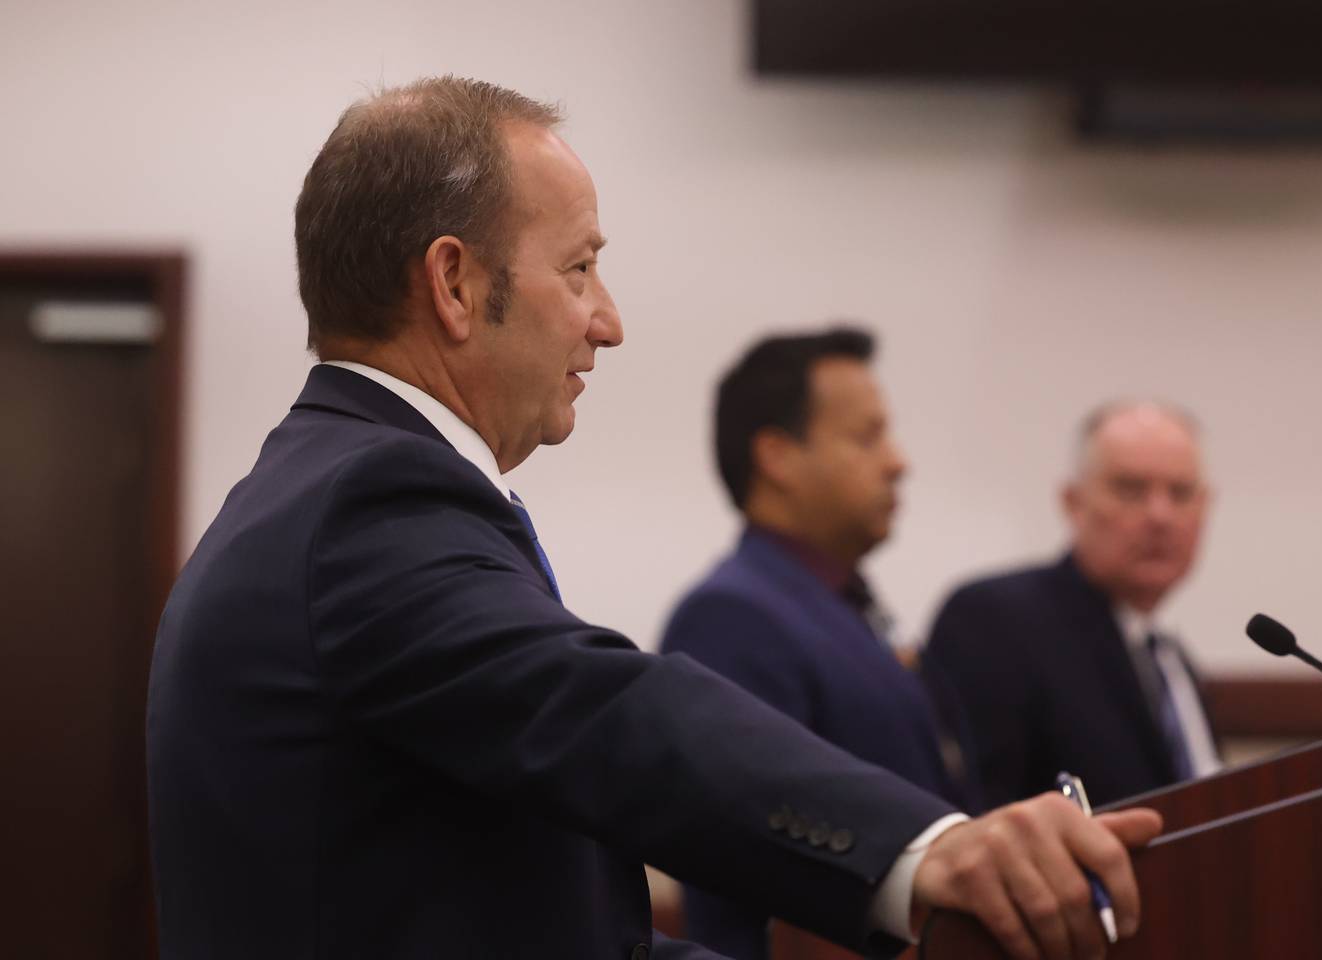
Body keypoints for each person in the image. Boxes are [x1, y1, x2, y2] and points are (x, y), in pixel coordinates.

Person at [146, 76, 1160, 960]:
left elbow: (539, 925)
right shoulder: (366, 506)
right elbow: (598, 710)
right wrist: (926, 848)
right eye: (579, 267)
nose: (608, 320)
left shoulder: (328, 491)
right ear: (454, 284)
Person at [660, 328, 983, 959]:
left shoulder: (845, 604)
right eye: (867, 437)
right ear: (777, 457)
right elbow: (756, 851)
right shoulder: (730, 617)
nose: (898, 461)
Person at [923, 401, 1222, 811]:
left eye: (1181, 493)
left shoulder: (1171, 661)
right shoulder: (995, 621)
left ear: (1206, 507)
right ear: (1073, 502)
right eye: (1131, 489)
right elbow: (977, 815)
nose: (1160, 515)